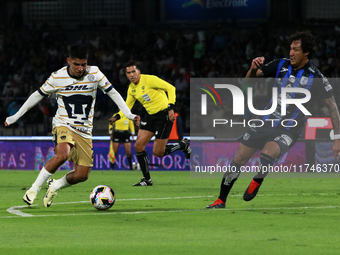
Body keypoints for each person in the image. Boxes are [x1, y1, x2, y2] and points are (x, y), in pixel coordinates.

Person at [207, 30, 340, 208]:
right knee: (239, 159)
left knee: (268, 155)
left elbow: (332, 107)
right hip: (266, 121)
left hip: (289, 129)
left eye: (296, 49)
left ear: (306, 52)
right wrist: (252, 69)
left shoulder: (317, 78)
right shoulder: (280, 65)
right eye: (291, 48)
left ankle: (258, 180)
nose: (291, 52)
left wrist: (337, 138)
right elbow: (248, 83)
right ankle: (221, 200)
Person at [4, 44, 140, 207]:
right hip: (63, 124)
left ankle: (55, 185)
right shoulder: (57, 77)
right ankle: (33, 189)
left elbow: (113, 93)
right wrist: (16, 116)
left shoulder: (95, 73)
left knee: (82, 175)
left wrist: (129, 114)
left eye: (83, 64)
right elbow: (36, 96)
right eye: (76, 64)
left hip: (84, 130)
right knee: (62, 154)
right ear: (68, 60)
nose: (80, 68)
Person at [110, 61, 191, 186]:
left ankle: (182, 145)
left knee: (158, 152)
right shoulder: (131, 88)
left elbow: (171, 88)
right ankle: (147, 179)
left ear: (139, 72)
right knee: (138, 146)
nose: (131, 75)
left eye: (133, 71)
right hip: (150, 116)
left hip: (164, 115)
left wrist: (171, 107)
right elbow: (127, 107)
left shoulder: (150, 80)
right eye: (128, 73)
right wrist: (117, 116)